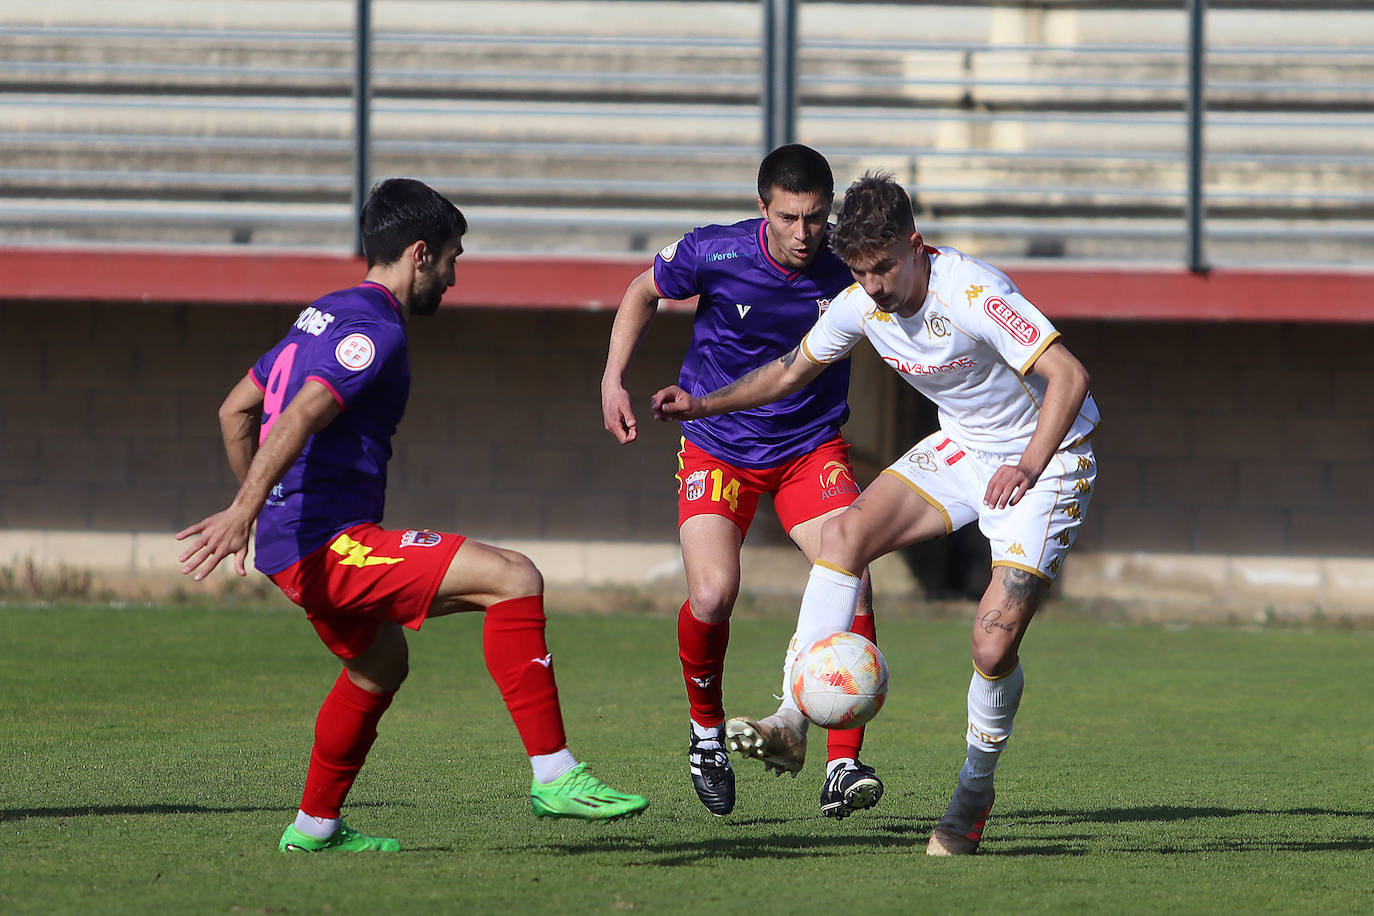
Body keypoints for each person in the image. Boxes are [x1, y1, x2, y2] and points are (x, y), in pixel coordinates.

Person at [177, 178, 648, 853]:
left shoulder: (325, 311)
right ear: (420, 253)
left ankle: (315, 828)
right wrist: (243, 510)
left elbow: (235, 411)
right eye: (454, 258)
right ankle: (556, 775)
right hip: (325, 545)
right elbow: (308, 409)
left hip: (295, 543)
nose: (456, 277)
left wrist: (264, 513)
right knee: (514, 576)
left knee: (379, 665)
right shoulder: (374, 331)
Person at [651, 171, 1099, 855]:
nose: (875, 285)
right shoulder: (861, 301)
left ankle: (973, 794)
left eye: (885, 266)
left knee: (991, 643)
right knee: (846, 533)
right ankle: (792, 722)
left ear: (915, 245)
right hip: (964, 450)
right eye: (860, 271)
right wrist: (703, 404)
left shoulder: (975, 292)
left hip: (1047, 459)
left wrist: (1029, 466)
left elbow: (1068, 375)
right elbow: (789, 371)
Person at [601, 144, 883, 819]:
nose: (804, 234)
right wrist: (614, 378)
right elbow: (642, 291)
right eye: (789, 217)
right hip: (718, 449)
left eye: (817, 218)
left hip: (808, 450)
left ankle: (841, 765)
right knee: (714, 591)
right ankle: (706, 736)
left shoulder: (847, 265)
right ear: (763, 209)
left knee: (855, 575)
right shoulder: (714, 252)